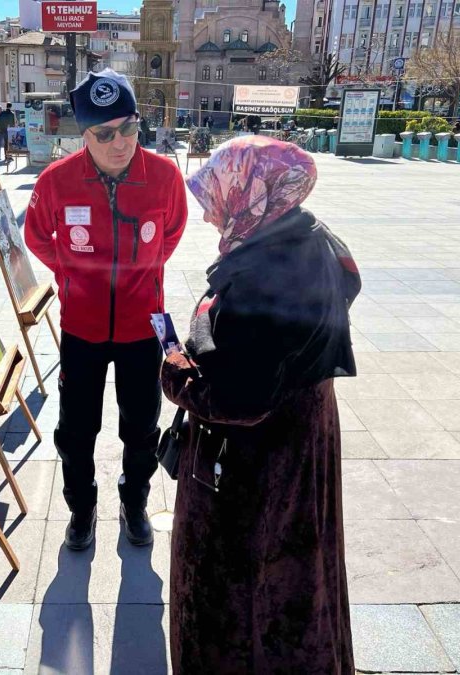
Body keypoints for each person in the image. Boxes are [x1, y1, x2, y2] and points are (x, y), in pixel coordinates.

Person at [161, 136, 359, 674]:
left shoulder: (261, 275)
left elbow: (236, 399)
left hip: (256, 470)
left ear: (248, 193)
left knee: (244, 598)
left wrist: (176, 368)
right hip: (305, 439)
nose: (207, 217)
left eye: (216, 200)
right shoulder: (310, 236)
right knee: (300, 576)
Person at [25, 68, 187, 550]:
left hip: (144, 326)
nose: (121, 143)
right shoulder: (56, 181)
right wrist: (71, 274)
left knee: (141, 427)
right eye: (105, 133)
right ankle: (82, 509)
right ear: (85, 134)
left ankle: (133, 502)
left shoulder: (164, 176)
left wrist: (144, 272)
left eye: (129, 127)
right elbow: (36, 236)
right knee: (76, 431)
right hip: (82, 329)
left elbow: (173, 231)